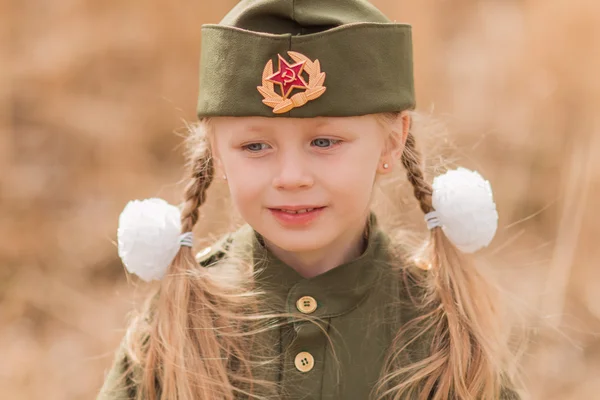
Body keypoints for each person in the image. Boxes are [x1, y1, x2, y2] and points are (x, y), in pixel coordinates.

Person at [98, 0, 522, 399]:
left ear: (392, 143)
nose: (292, 178)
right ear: (216, 153)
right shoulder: (180, 319)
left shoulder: (441, 323)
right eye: (255, 147)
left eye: (324, 141)